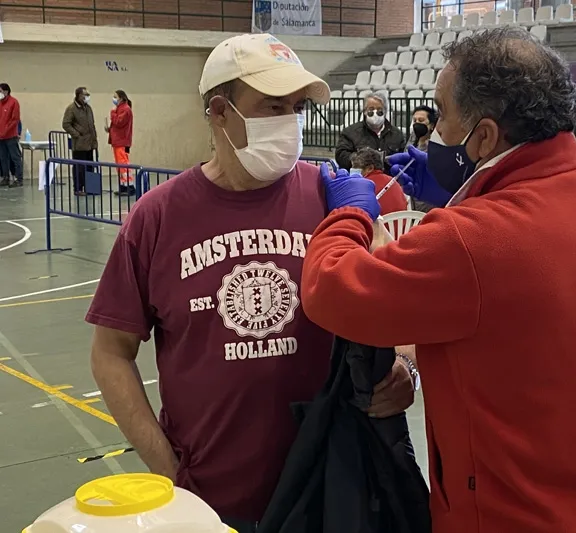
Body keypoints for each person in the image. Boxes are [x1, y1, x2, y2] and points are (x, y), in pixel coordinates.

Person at [301, 27, 576, 533]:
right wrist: (465, 192)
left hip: (511, 516)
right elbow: (515, 318)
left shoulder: (473, 239)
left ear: (484, 137)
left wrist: (349, 215)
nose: (434, 130)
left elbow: (331, 289)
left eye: (441, 115)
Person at [85, 33, 415, 533]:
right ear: (220, 112)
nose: (291, 122)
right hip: (211, 501)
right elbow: (110, 352)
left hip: (330, 489)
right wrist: (169, 471)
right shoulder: (156, 218)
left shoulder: (333, 197)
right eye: (273, 107)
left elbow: (402, 299)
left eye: (297, 108)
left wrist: (407, 367)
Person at [335, 90, 406, 170]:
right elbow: (341, 156)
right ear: (364, 111)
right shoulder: (350, 133)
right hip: (361, 176)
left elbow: (403, 159)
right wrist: (362, 160)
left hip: (388, 176)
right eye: (371, 109)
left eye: (379, 110)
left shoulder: (397, 135)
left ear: (385, 111)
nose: (375, 114)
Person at [350, 147, 407, 215]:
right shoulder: (393, 181)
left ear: (370, 168)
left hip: (377, 221)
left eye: (356, 167)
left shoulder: (362, 186)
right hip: (404, 221)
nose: (352, 170)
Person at [62, 86, 97, 195]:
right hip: (79, 144)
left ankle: (90, 188)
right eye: (85, 94)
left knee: (90, 167)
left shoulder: (88, 108)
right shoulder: (71, 109)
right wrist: (76, 134)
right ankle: (78, 188)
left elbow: (92, 125)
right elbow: (66, 124)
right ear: (79, 95)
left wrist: (94, 140)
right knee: (79, 168)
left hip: (90, 143)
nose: (87, 96)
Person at [407, 105, 438, 213]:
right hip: (412, 198)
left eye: (421, 120)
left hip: (429, 200)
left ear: (431, 126)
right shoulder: (412, 140)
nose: (417, 124)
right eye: (415, 120)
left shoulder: (436, 145)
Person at [106, 89, 135, 196]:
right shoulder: (120, 109)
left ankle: (129, 187)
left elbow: (119, 122)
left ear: (121, 98)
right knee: (120, 166)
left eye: (115, 97)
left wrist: (112, 114)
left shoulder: (125, 109)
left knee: (123, 165)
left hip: (122, 142)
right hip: (117, 141)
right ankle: (123, 186)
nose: (113, 99)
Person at [0, 83, 23, 188]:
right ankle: (5, 178)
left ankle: (19, 179)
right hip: (1, 137)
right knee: (3, 158)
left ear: (6, 91)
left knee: (15, 158)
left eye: (0, 91)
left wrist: (5, 131)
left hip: (11, 136)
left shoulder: (13, 102)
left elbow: (15, 120)